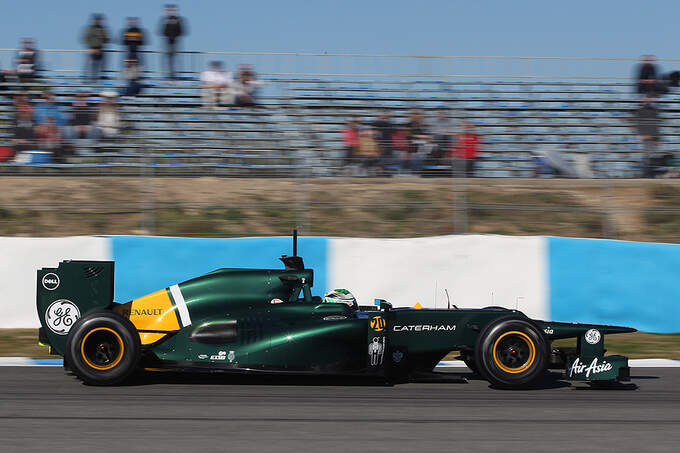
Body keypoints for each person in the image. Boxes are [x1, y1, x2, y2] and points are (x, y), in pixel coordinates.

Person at [634, 97, 661, 178]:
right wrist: (642, 134)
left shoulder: (654, 110)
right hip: (645, 136)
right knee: (646, 155)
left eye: (650, 99)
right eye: (647, 99)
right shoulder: (640, 110)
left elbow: (656, 125)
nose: (648, 100)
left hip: (653, 136)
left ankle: (651, 174)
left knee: (652, 155)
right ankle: (646, 174)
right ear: (643, 100)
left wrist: (657, 138)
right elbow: (638, 123)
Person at [159, 4, 186, 79]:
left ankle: (176, 74)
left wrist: (175, 35)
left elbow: (182, 31)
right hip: (167, 42)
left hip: (176, 42)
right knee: (168, 59)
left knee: (176, 58)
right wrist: (168, 35)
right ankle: (169, 74)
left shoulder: (179, 19)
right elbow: (161, 31)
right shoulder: (165, 19)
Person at [82, 14, 110, 81]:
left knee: (101, 64)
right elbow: (85, 39)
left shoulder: (103, 29)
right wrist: (92, 48)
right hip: (91, 49)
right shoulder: (89, 29)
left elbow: (107, 40)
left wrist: (103, 39)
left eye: (99, 20)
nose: (97, 22)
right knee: (89, 64)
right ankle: (86, 77)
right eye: (96, 20)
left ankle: (101, 76)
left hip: (100, 49)